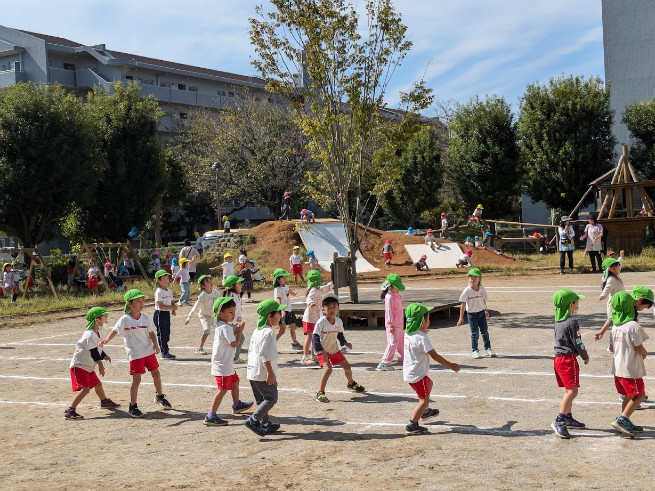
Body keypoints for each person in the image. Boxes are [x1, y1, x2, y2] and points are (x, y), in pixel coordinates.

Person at [100, 289, 172, 418]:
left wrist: (156, 345)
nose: (142, 303)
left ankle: (160, 396)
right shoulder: (125, 320)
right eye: (138, 301)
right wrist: (106, 340)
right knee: (137, 379)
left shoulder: (145, 318)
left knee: (156, 373)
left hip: (148, 351)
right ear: (129, 304)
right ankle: (133, 406)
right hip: (135, 353)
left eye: (142, 301)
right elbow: (115, 331)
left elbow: (151, 333)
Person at [403, 302, 460, 435]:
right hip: (418, 375)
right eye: (428, 318)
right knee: (424, 400)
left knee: (430, 383)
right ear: (423, 321)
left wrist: (421, 331)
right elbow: (435, 356)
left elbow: (416, 339)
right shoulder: (422, 338)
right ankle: (412, 424)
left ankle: (425, 412)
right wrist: (451, 365)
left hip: (410, 373)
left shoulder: (408, 334)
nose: (429, 320)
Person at [205, 296, 253, 426]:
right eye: (230, 312)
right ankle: (211, 415)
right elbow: (234, 344)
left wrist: (236, 330)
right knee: (223, 389)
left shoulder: (224, 325)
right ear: (220, 313)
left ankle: (236, 404)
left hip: (227, 364)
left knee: (235, 381)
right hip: (222, 365)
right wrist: (239, 331)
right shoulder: (224, 327)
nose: (233, 314)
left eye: (234, 311)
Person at [65, 307, 120, 420]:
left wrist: (104, 355)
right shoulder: (89, 335)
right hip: (79, 366)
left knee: (98, 384)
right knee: (85, 389)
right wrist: (101, 365)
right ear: (96, 320)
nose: (106, 320)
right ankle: (70, 410)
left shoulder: (96, 333)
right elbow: (94, 352)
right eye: (104, 317)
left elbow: (98, 348)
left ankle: (104, 401)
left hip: (87, 367)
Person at [609, 291, 649, 437]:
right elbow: (638, 346)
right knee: (640, 395)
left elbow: (612, 347)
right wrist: (644, 352)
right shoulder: (632, 325)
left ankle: (624, 418)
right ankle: (622, 419)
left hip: (618, 368)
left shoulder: (614, 326)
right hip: (630, 368)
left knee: (627, 395)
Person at [550, 290, 589, 439]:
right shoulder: (572, 322)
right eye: (576, 302)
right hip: (567, 359)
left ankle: (567, 417)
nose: (578, 304)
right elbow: (577, 342)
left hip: (558, 359)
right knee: (572, 391)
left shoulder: (558, 321)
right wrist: (585, 355)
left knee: (569, 390)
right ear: (571, 305)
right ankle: (560, 420)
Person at [244, 299, 286, 436]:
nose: (281, 315)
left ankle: (265, 423)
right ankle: (254, 419)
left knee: (261, 400)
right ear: (270, 316)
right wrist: (270, 372)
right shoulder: (269, 332)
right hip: (263, 372)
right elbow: (265, 354)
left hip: (253, 371)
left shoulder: (258, 330)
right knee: (271, 398)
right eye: (278, 313)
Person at [313, 294, 366, 403]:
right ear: (323, 309)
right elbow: (315, 339)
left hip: (334, 349)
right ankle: (320, 393)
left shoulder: (338, 322)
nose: (331, 310)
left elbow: (340, 335)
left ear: (338, 308)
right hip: (322, 351)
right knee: (328, 370)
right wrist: (322, 352)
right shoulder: (321, 323)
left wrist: (345, 343)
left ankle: (351, 383)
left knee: (347, 367)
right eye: (328, 308)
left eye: (334, 307)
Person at [457, 268, 495, 359]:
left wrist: (486, 311)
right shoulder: (467, 291)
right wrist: (461, 318)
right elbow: (462, 304)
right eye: (470, 277)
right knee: (475, 334)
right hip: (472, 315)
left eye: (475, 277)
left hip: (481, 314)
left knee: (485, 332)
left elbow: (483, 301)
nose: (472, 279)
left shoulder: (482, 289)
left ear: (480, 279)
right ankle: (475, 350)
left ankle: (488, 349)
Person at [301, 270, 333, 365]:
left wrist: (332, 283)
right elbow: (309, 299)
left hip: (315, 318)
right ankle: (305, 357)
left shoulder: (318, 289)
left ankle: (313, 356)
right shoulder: (313, 290)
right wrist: (311, 303)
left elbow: (326, 288)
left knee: (315, 336)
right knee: (309, 336)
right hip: (309, 318)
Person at [185, 274, 222, 355]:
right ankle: (199, 348)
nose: (210, 283)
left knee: (219, 330)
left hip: (214, 315)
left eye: (210, 280)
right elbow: (195, 307)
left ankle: (221, 346)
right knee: (207, 330)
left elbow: (221, 301)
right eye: (207, 282)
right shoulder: (202, 295)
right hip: (204, 316)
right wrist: (188, 318)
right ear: (203, 286)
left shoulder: (216, 292)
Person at [593, 257, 624, 347]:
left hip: (620, 304)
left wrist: (621, 257)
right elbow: (607, 288)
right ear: (610, 268)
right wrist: (603, 295)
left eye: (619, 265)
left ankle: (613, 344)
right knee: (612, 322)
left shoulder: (616, 276)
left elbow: (620, 264)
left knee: (618, 324)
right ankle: (608, 342)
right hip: (614, 305)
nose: (619, 267)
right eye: (617, 266)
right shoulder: (611, 279)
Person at [377, 274, 405, 371]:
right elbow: (389, 312)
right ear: (390, 287)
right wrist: (390, 325)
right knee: (393, 343)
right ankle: (384, 362)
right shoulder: (389, 297)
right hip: (393, 325)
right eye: (397, 287)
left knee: (401, 342)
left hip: (400, 324)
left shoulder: (398, 296)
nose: (398, 289)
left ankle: (403, 358)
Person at [273, 268, 302, 349]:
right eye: (283, 277)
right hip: (282, 311)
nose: (285, 279)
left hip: (288, 310)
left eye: (285, 277)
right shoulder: (277, 290)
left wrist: (294, 293)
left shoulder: (285, 286)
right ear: (278, 279)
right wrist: (281, 310)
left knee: (293, 325)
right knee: (282, 330)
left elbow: (289, 290)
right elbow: (278, 300)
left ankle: (295, 343)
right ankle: (271, 344)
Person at [154, 269, 178, 360]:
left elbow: (172, 301)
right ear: (158, 280)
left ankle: (164, 348)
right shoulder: (159, 291)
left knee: (167, 333)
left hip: (166, 314)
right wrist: (172, 308)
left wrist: (173, 309)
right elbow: (160, 305)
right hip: (160, 314)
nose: (166, 280)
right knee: (162, 334)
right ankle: (164, 352)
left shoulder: (168, 291)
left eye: (167, 278)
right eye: (164, 278)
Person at [223, 275, 247, 363]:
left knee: (238, 339)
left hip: (234, 323)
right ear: (233, 286)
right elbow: (228, 310)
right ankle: (232, 358)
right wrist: (235, 319)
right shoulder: (232, 296)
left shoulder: (235, 295)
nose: (241, 285)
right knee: (234, 340)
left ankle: (234, 357)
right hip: (231, 323)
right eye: (239, 284)